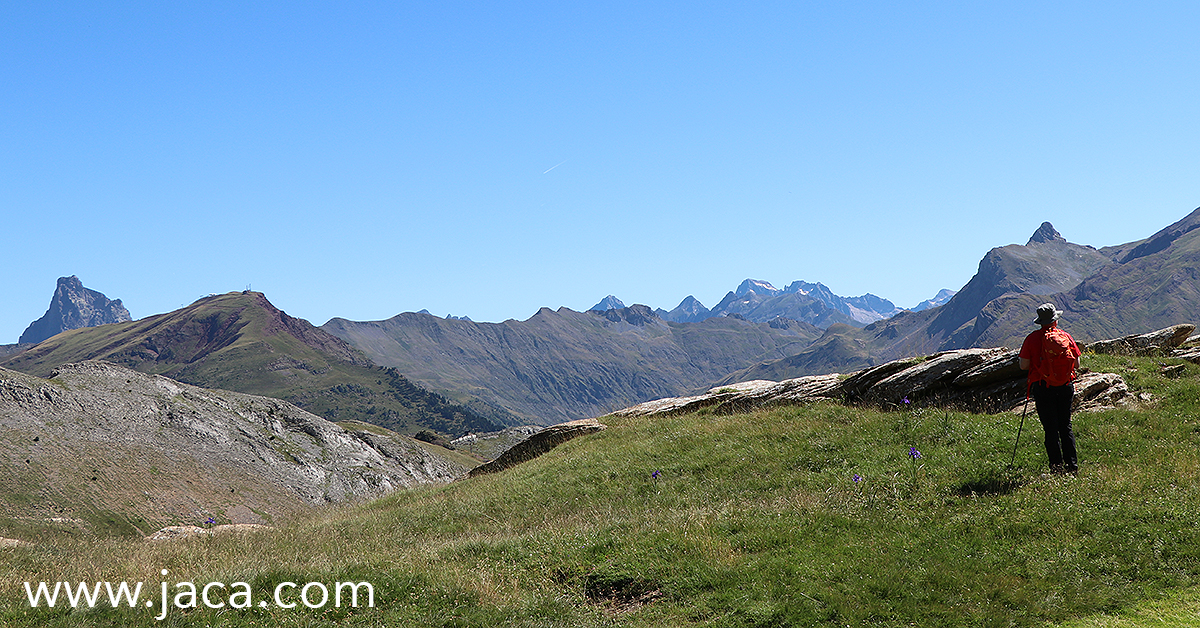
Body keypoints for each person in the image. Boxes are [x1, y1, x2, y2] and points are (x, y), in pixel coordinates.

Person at [1018, 303, 1083, 474]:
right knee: (1065, 426)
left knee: (1050, 429)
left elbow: (1024, 366)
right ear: (1055, 320)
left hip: (1043, 386)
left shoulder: (1032, 339)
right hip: (1065, 385)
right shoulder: (1065, 336)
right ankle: (1072, 467)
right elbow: (1076, 363)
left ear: (1040, 321)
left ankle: (1056, 468)